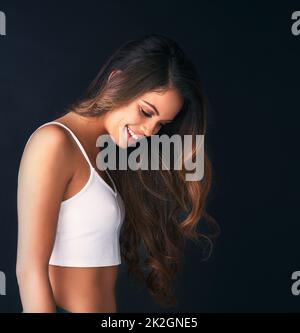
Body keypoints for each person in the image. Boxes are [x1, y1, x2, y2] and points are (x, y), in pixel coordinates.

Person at [16, 33, 218, 313]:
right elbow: (29, 270)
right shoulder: (55, 143)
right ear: (117, 80)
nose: (149, 131)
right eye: (146, 112)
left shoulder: (106, 155)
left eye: (161, 124)